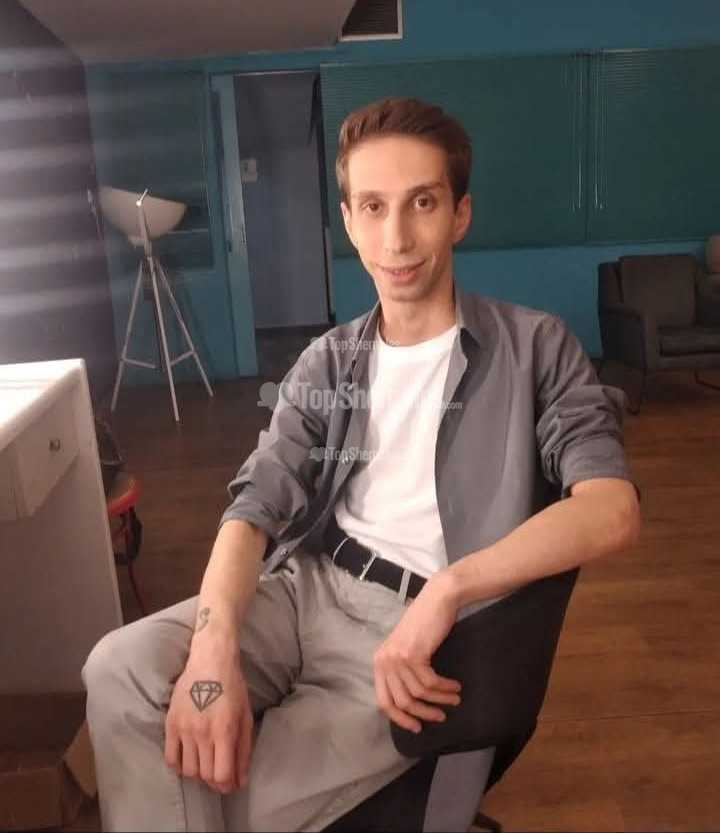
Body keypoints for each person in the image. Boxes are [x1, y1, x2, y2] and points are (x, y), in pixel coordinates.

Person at [82, 96, 641, 832]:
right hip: (306, 588)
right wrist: (213, 650)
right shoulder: (330, 359)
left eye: (423, 203)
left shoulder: (536, 347)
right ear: (349, 222)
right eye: (373, 207)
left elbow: (611, 509)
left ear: (460, 214)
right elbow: (254, 505)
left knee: (214, 789)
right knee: (117, 668)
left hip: (412, 634)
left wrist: (450, 589)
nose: (397, 237)